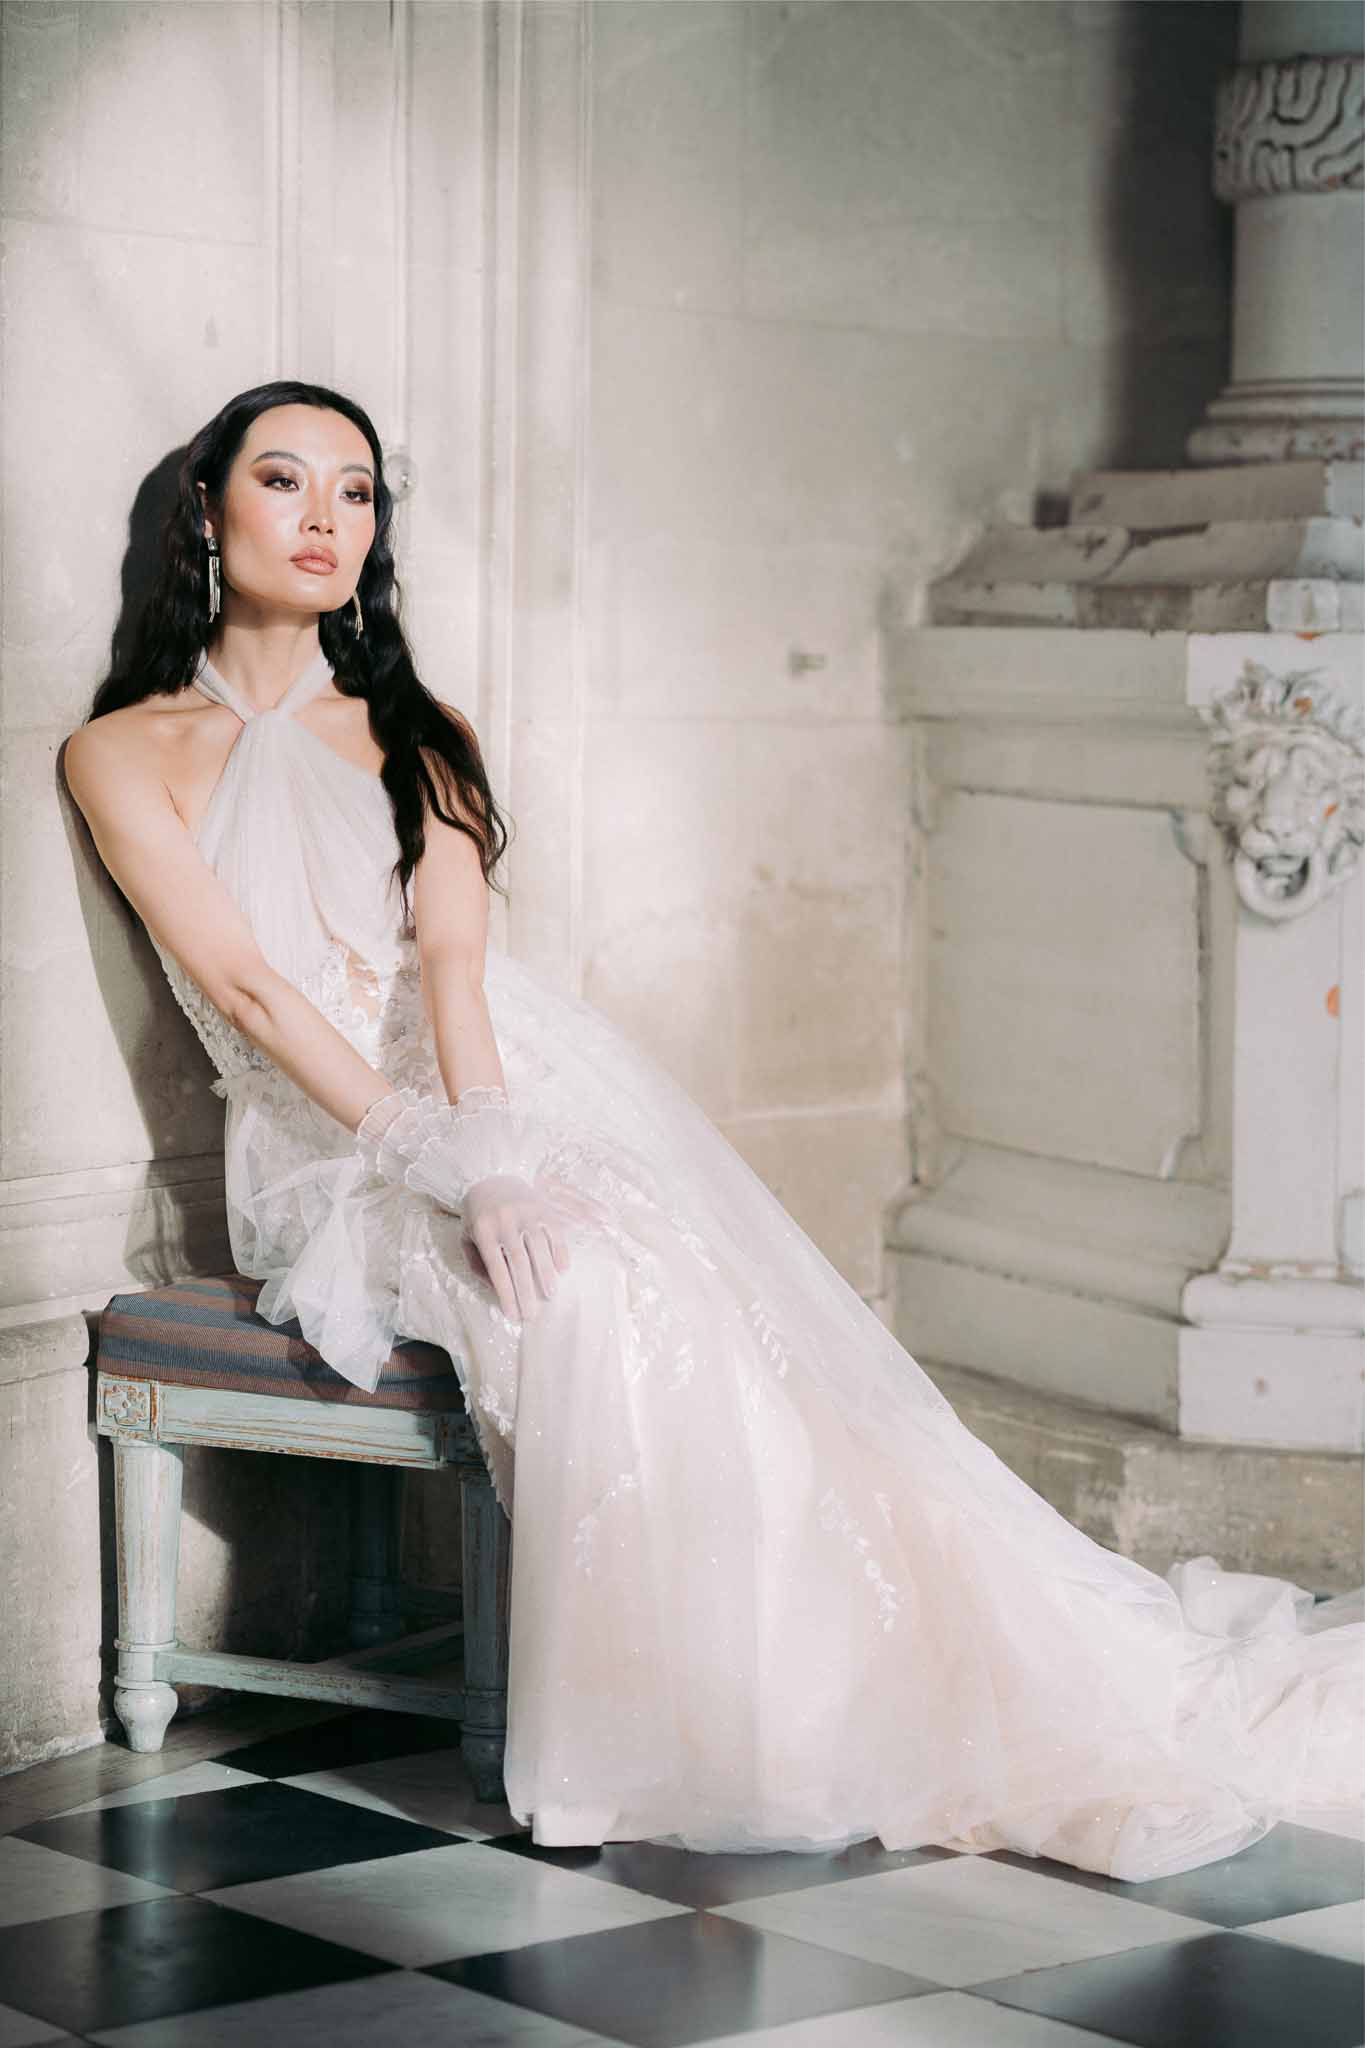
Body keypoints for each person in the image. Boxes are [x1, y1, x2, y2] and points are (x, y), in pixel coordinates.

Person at [64, 378, 1363, 1882]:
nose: (325, 521)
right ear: (209, 514)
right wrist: (438, 1167)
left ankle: (865, 1675)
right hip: (326, 1147)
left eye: (356, 493)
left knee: (669, 1279)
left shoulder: (417, 731)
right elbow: (247, 987)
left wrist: (498, 1159)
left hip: (502, 1086)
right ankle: (641, 1736)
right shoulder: (123, 749)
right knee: (581, 1296)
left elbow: (456, 974)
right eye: (286, 483)